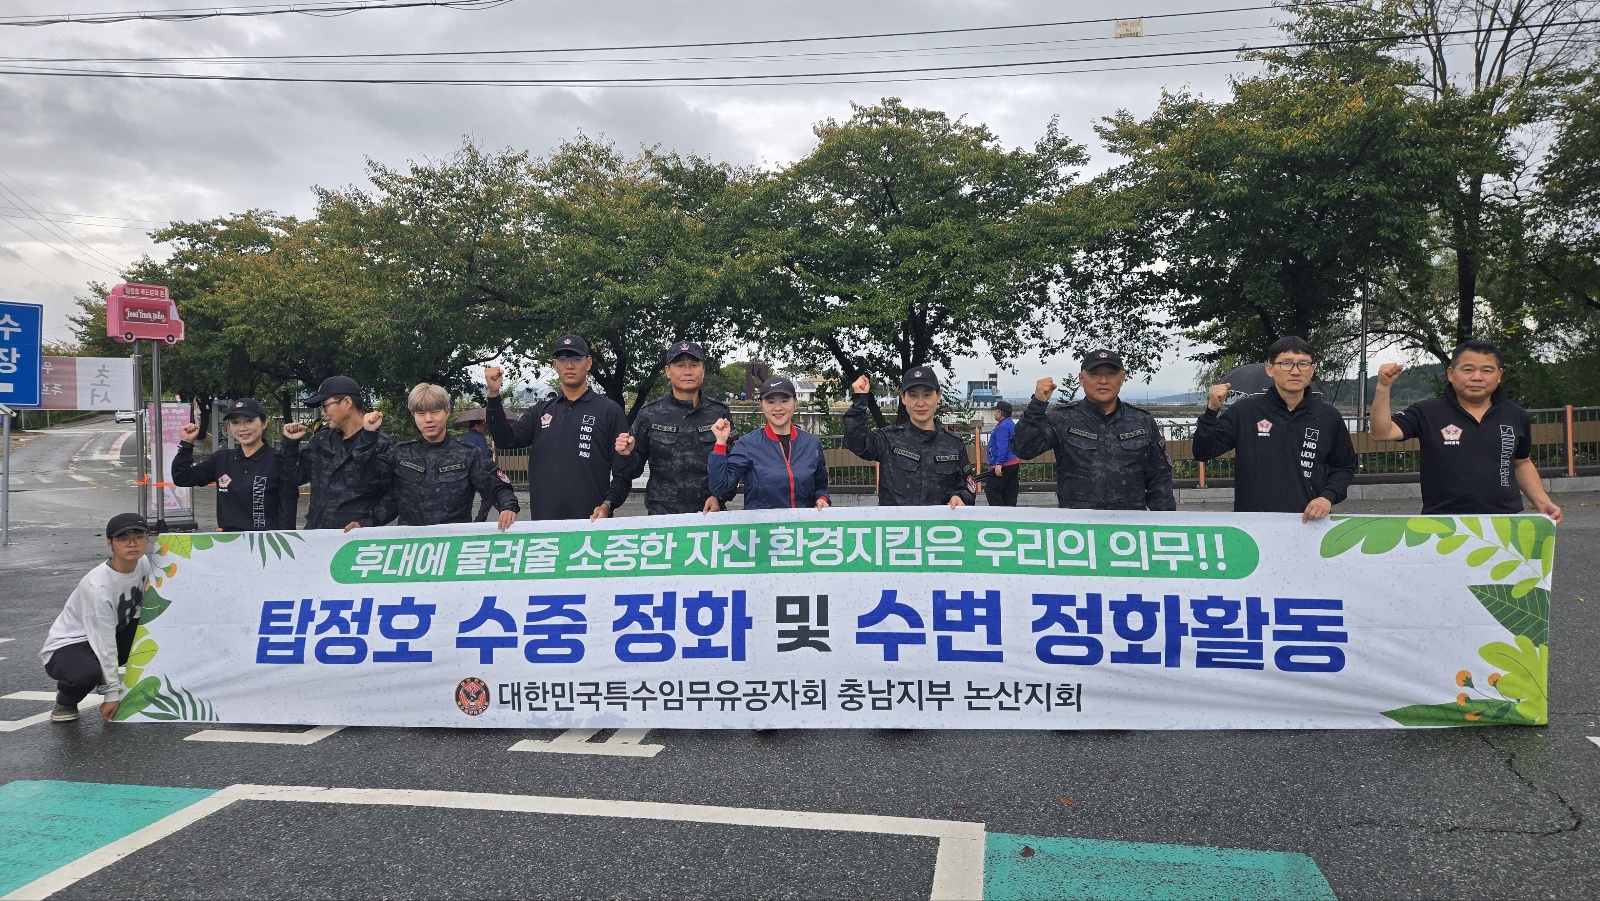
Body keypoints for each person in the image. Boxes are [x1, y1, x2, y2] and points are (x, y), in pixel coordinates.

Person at [1369, 340, 1562, 523]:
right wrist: (1383, 387)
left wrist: (1543, 502)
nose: (1477, 377)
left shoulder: (1516, 414)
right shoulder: (1427, 412)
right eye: (1468, 369)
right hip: (1443, 522)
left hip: (1505, 520)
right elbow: (1382, 433)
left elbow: (1521, 463)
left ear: (1499, 375)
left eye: (1487, 370)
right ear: (1451, 373)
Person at [1192, 336, 1357, 522]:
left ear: (1312, 370)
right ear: (1270, 369)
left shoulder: (1328, 416)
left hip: (1311, 522)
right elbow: (1203, 451)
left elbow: (1344, 465)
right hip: (1253, 523)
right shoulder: (1246, 411)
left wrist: (1328, 497)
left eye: (1303, 364)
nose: (1295, 371)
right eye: (1286, 363)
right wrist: (1211, 410)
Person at [483, 334, 632, 521]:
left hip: (592, 523)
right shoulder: (540, 411)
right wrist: (493, 393)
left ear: (588, 363)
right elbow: (506, 440)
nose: (569, 365)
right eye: (562, 358)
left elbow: (623, 472)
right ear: (555, 364)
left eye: (576, 358)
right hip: (545, 525)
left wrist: (607, 505)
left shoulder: (609, 411)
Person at [1012, 349, 1176, 511]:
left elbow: (1160, 480)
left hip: (1129, 523)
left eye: (1111, 374)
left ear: (1122, 378)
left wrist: (1166, 522)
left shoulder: (1142, 421)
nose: (1103, 380)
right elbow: (1024, 448)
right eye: (1095, 374)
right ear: (1081, 379)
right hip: (1078, 523)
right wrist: (1037, 405)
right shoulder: (1062, 418)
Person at [39, 513, 151, 724]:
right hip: (70, 645)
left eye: (139, 537)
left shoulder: (143, 563)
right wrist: (111, 694)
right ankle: (66, 700)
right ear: (110, 543)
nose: (132, 544)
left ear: (147, 539)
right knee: (84, 674)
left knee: (156, 629)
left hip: (113, 631)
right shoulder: (97, 586)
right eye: (123, 539)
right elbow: (103, 640)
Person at [373, 383, 519, 529]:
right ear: (414, 415)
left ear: (447, 411)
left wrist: (507, 506)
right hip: (411, 540)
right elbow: (370, 484)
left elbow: (498, 487)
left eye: (435, 412)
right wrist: (368, 436)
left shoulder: (468, 453)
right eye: (421, 414)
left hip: (454, 540)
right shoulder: (400, 454)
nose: (428, 419)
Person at [615, 340, 737, 515]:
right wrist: (626, 454)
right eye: (680, 366)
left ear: (703, 370)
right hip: (662, 516)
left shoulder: (719, 412)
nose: (687, 371)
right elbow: (632, 470)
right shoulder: (650, 413)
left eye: (694, 365)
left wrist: (719, 497)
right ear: (667, 371)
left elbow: (734, 463)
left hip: (709, 514)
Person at [843, 368, 974, 508]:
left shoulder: (954, 444)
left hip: (938, 522)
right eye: (913, 395)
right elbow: (856, 442)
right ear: (903, 398)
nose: (920, 403)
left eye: (927, 395)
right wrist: (860, 400)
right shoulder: (888, 439)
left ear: (938, 396)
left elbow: (968, 489)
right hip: (896, 522)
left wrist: (959, 497)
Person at [280, 375, 394, 532]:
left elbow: (395, 496)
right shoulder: (322, 439)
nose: (323, 414)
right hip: (316, 535)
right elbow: (294, 478)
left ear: (347, 402)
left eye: (325, 406)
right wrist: (290, 444)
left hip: (355, 538)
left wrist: (367, 522)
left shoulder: (381, 444)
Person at [171, 397, 299, 531]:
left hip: (267, 541)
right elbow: (182, 478)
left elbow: (287, 514)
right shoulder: (221, 459)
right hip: (230, 541)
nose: (242, 428)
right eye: (235, 422)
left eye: (249, 421)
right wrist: (186, 443)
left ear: (264, 423)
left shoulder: (279, 461)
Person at [708, 376, 830, 511]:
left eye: (784, 401)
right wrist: (720, 443)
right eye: (770, 402)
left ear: (795, 403)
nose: (778, 408)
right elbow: (719, 488)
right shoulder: (747, 444)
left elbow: (821, 486)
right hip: (762, 524)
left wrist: (822, 498)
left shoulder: (812, 444)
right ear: (761, 405)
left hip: (802, 524)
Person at [455, 408, 499, 523]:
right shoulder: (479, 437)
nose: (485, 427)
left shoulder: (462, 438)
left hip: (461, 473)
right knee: (488, 496)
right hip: (478, 472)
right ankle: (480, 519)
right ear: (477, 425)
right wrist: (490, 452)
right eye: (483, 424)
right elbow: (484, 454)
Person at [985, 400, 1020, 507]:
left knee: (991, 489)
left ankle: (999, 512)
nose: (994, 413)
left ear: (999, 412)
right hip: (1013, 461)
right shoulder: (1011, 424)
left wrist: (998, 463)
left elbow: (1002, 446)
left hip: (1004, 464)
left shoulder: (1002, 427)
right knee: (1009, 491)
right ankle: (1009, 511)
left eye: (995, 411)